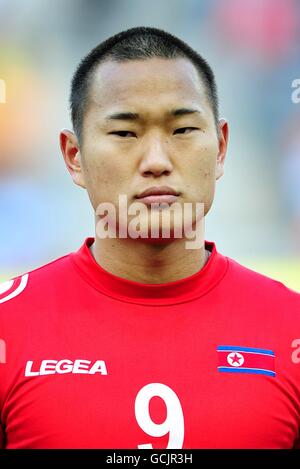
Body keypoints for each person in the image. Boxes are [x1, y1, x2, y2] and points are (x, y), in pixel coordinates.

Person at [0, 26, 299, 450]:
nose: (157, 161)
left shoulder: (292, 328)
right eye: (125, 133)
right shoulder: (8, 327)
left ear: (221, 147)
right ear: (74, 157)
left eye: (182, 130)